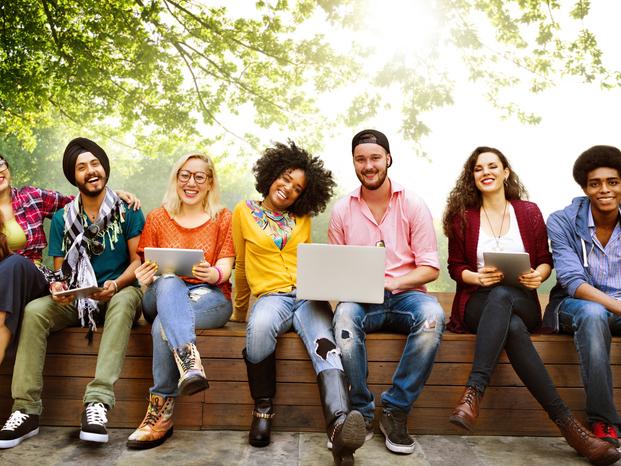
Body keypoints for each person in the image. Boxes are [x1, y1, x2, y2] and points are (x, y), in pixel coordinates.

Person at [444, 146, 620, 466]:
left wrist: (538, 275)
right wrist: (476, 277)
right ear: (472, 177)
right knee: (504, 313)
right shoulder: (463, 217)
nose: (486, 172)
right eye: (478, 168)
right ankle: (571, 429)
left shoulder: (528, 211)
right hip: (478, 302)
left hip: (522, 299)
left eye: (493, 166)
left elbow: (545, 260)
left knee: (506, 300)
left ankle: (474, 392)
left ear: (505, 172)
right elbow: (455, 267)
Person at [0, 138, 145, 449]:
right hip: (81, 300)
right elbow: (61, 272)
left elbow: (139, 261)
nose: (90, 171)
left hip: (118, 291)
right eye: (81, 167)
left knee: (124, 300)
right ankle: (25, 409)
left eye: (95, 164)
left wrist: (116, 284)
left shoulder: (127, 210)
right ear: (73, 176)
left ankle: (98, 403)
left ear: (105, 168)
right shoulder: (64, 218)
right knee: (35, 311)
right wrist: (59, 289)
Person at [233, 141, 366, 466]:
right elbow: (239, 264)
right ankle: (263, 408)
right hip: (271, 297)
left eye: (297, 188)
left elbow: (310, 261)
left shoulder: (302, 218)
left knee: (326, 345)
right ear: (272, 174)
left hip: (307, 296)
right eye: (285, 179)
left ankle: (338, 426)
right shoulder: (243, 212)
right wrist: (239, 310)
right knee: (260, 326)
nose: (288, 189)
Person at [330, 129, 445, 455]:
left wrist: (393, 283)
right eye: (361, 159)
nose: (368, 165)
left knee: (433, 315)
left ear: (388, 159)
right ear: (354, 162)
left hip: (406, 295)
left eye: (375, 158)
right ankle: (361, 413)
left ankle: (395, 411)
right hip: (362, 300)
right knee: (344, 316)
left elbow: (430, 268)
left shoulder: (413, 204)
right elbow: (337, 268)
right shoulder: (342, 210)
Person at [126, 153, 234, 449]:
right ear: (176, 178)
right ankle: (189, 362)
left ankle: (160, 414)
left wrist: (212, 273)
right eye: (185, 175)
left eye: (200, 176)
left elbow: (226, 266)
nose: (191, 182)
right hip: (159, 294)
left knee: (166, 322)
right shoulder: (158, 217)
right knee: (169, 281)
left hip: (208, 297)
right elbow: (143, 267)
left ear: (210, 183)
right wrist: (145, 277)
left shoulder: (222, 217)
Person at [0, 153, 139, 366]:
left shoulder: (31, 197)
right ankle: (23, 397)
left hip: (31, 274)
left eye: (1, 164)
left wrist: (112, 195)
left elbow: (78, 202)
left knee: (13, 264)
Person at [546, 145, 621, 448]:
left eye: (612, 182)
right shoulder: (562, 221)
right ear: (585, 188)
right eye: (595, 183)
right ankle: (603, 420)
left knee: (601, 314)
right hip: (574, 305)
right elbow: (573, 281)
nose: (604, 190)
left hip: (616, 309)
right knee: (593, 314)